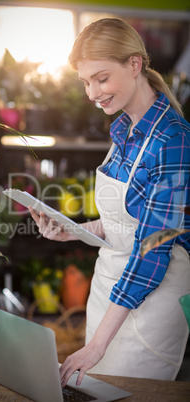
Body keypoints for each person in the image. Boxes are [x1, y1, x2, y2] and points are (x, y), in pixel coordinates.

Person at [29, 18, 190, 386]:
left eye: (101, 78)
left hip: (151, 305)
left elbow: (153, 250)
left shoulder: (173, 141)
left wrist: (97, 345)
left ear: (135, 64)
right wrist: (74, 231)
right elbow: (126, 222)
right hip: (109, 295)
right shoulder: (124, 130)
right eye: (85, 82)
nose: (91, 93)